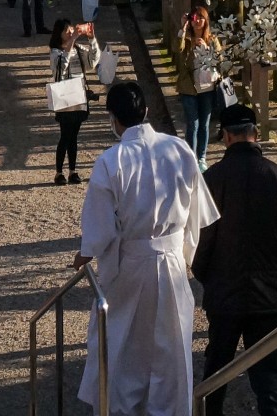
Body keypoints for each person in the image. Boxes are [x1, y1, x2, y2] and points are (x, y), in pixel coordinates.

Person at [74, 78, 218, 416]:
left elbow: (100, 227)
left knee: (124, 344)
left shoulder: (111, 161)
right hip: (170, 259)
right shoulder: (179, 149)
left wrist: (86, 251)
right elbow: (198, 210)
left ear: (113, 117)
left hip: (131, 264)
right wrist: (184, 251)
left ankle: (119, 408)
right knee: (170, 348)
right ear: (147, 111)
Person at [192, 102, 277, 416]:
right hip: (268, 292)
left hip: (224, 289)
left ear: (225, 136)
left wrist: (207, 277)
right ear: (255, 133)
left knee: (215, 373)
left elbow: (203, 241)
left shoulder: (213, 178)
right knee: (268, 379)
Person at [49, 17, 102, 184]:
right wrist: (72, 41)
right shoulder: (55, 52)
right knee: (65, 135)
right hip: (65, 98)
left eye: (70, 29)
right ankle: (59, 172)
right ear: (60, 34)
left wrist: (92, 38)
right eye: (66, 31)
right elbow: (61, 68)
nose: (70, 32)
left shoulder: (78, 49)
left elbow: (93, 61)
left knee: (74, 136)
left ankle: (72, 170)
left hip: (79, 97)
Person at [173, 6, 222, 170]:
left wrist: (207, 49)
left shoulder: (212, 39)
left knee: (204, 124)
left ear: (206, 20)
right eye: (194, 18)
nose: (198, 22)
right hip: (189, 88)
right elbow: (177, 49)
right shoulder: (186, 39)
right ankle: (190, 157)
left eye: (201, 18)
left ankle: (202, 157)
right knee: (192, 124)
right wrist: (183, 28)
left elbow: (220, 59)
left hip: (207, 87)